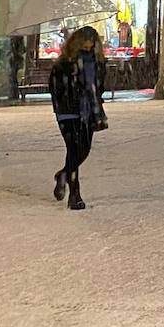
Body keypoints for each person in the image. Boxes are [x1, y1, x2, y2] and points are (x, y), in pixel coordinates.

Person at [48, 26, 108, 211]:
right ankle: (75, 194)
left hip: (90, 111)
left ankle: (64, 175)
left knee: (84, 148)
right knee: (74, 149)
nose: (90, 45)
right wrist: (68, 101)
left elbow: (99, 85)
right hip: (69, 111)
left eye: (92, 41)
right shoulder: (64, 63)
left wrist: (94, 99)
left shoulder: (98, 62)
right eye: (87, 41)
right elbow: (55, 87)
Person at [7, 36, 26, 102]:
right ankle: (14, 93)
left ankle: (14, 93)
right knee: (13, 78)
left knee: (14, 78)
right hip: (15, 62)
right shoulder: (15, 39)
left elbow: (22, 51)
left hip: (16, 62)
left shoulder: (18, 39)